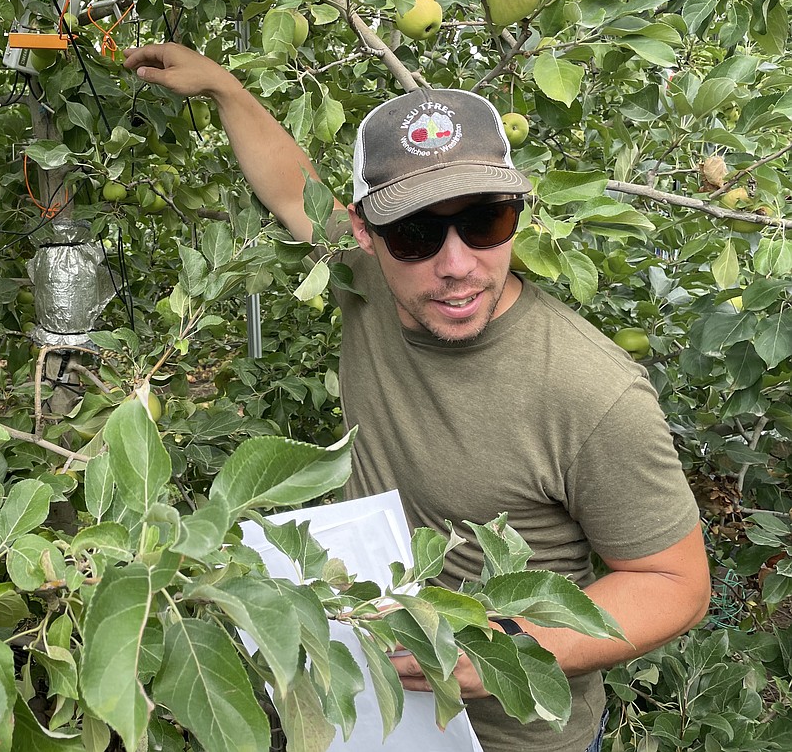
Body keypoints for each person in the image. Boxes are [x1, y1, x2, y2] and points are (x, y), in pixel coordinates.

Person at [123, 42, 711, 752]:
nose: (457, 264)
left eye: (486, 220)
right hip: (370, 704)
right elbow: (291, 189)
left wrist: (501, 649)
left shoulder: (591, 392)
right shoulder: (369, 279)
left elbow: (675, 582)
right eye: (418, 231)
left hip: (509, 740)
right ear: (366, 234)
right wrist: (225, 87)